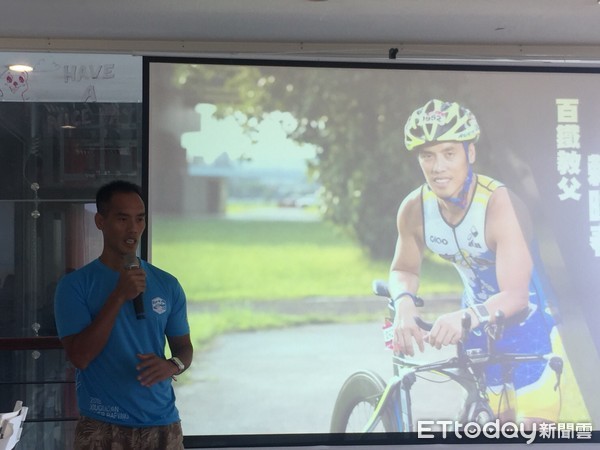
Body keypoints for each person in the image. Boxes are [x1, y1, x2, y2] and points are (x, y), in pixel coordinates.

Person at [388, 99, 560, 425]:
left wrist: (463, 317)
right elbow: (403, 269)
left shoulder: (500, 205)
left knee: (533, 433)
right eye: (428, 155)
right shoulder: (415, 208)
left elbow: (516, 296)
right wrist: (404, 305)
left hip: (532, 324)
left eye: (449, 153)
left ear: (470, 153)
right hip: (478, 327)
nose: (437, 167)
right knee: (495, 429)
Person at [54, 180, 193, 450]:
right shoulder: (74, 286)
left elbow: (184, 348)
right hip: (102, 425)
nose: (133, 229)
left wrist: (172, 365)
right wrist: (118, 296)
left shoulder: (167, 284)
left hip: (162, 423)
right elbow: (79, 357)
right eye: (122, 218)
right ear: (100, 221)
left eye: (139, 219)